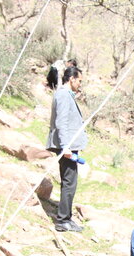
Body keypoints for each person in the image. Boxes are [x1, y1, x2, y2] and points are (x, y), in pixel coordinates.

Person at [46, 66, 87, 232]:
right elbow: (61, 122)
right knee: (70, 182)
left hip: (68, 145)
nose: (80, 85)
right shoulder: (63, 94)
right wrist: (65, 147)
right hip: (66, 146)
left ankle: (66, 218)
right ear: (72, 79)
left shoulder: (66, 94)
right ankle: (63, 220)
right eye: (79, 81)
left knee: (69, 181)